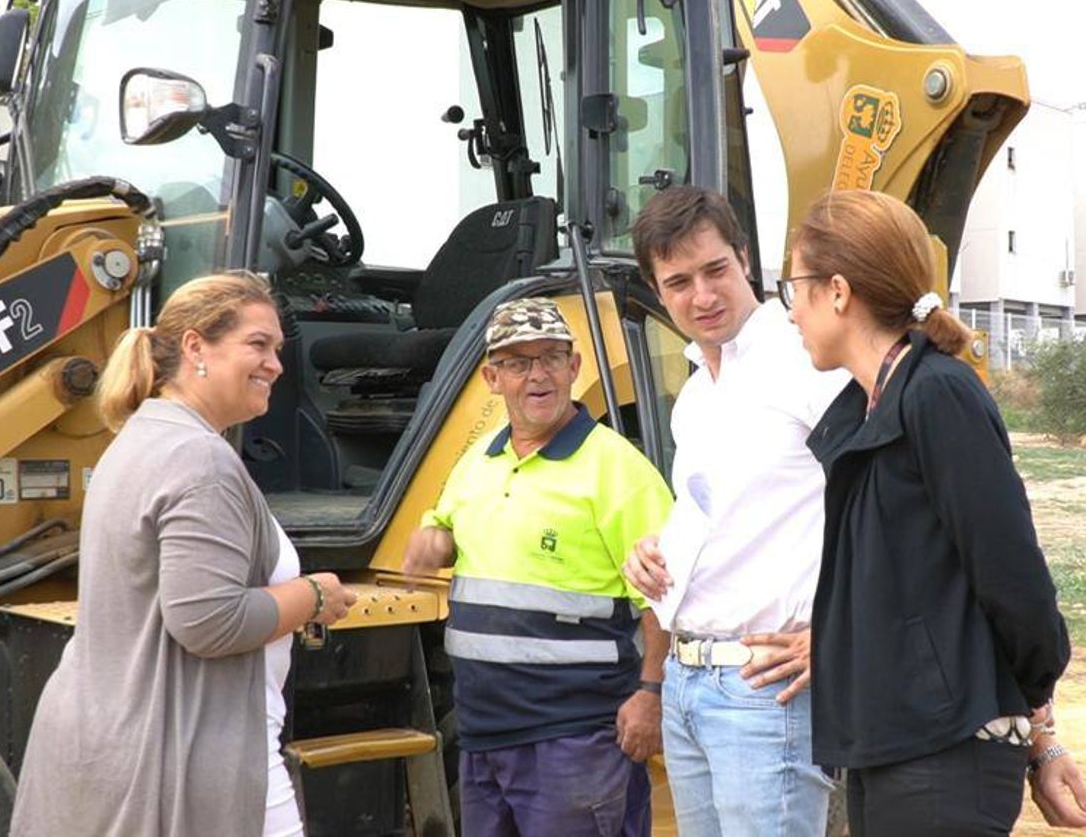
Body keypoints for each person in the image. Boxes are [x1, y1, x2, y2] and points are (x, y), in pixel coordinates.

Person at [11, 273, 358, 837]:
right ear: (196, 346)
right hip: (185, 756)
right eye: (258, 345)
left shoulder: (140, 439)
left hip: (115, 740)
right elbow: (209, 622)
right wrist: (314, 595)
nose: (276, 365)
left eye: (277, 349)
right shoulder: (200, 461)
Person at [784, 187, 1086, 834]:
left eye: (795, 290)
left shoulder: (937, 395)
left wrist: (1041, 730)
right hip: (891, 743)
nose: (790, 314)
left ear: (837, 291)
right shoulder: (868, 409)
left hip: (943, 754)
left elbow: (1014, 581)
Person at [401, 297, 674, 836]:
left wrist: (651, 696)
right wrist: (434, 540)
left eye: (551, 358)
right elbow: (446, 525)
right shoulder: (478, 461)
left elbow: (668, 601)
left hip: (576, 741)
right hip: (483, 735)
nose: (538, 375)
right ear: (491, 377)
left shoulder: (618, 470)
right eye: (519, 363)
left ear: (575, 368)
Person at [623, 184, 846, 835]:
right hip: (689, 687)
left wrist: (840, 634)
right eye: (679, 281)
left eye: (715, 270)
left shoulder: (808, 364)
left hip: (763, 693)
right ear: (656, 289)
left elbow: (888, 502)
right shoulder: (695, 394)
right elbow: (729, 513)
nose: (703, 296)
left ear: (745, 257)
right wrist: (656, 551)